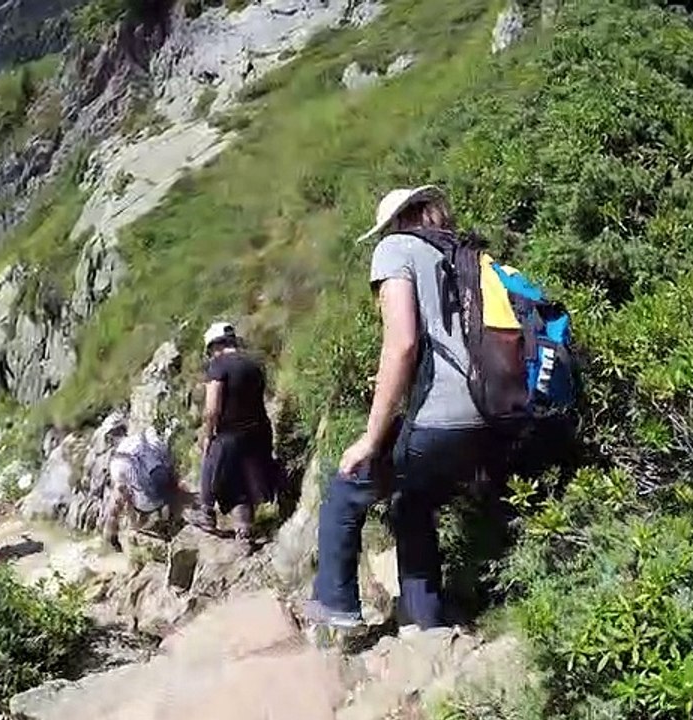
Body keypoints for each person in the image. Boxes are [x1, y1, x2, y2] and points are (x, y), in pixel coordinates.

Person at [305, 185, 507, 630]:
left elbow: (402, 343)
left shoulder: (395, 249)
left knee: (347, 484)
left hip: (441, 416)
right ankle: (424, 621)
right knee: (411, 503)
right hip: (493, 415)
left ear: (396, 222)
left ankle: (335, 604)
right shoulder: (465, 254)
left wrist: (371, 438)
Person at [190, 321, 280, 542]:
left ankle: (206, 512)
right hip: (259, 432)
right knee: (244, 482)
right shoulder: (254, 364)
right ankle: (244, 530)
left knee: (216, 472)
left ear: (213, 346)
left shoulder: (219, 365)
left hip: (230, 435)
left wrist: (208, 435)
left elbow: (212, 408)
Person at [101, 425, 186, 552]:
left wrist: (133, 523)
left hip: (126, 462)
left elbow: (125, 497)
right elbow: (172, 477)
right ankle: (169, 524)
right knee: (128, 498)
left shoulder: (146, 442)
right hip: (148, 483)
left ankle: (111, 535)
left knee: (118, 498)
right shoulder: (161, 450)